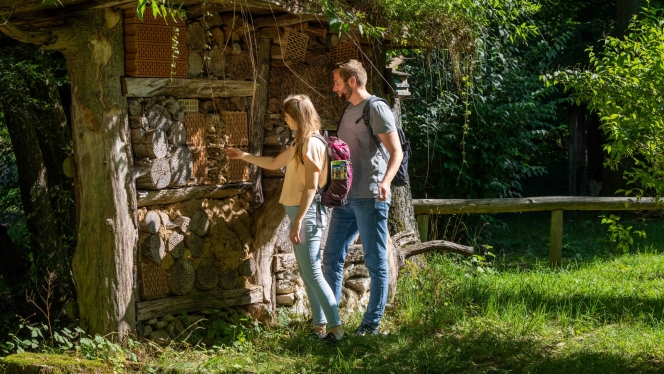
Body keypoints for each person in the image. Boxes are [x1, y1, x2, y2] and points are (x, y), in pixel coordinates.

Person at [226, 94, 344, 342]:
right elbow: (273, 162)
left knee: (312, 273)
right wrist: (243, 156)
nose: (286, 120)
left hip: (308, 216)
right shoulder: (300, 143)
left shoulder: (311, 144)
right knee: (307, 272)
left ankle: (337, 330)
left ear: (297, 118)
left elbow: (311, 187)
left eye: (288, 117)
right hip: (302, 215)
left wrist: (299, 221)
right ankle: (319, 328)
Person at [323, 60, 403, 336]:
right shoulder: (348, 110)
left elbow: (397, 152)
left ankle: (371, 324)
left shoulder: (376, 108)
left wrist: (385, 182)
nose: (334, 88)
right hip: (345, 198)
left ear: (352, 82)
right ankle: (331, 321)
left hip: (370, 196)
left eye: (337, 82)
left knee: (375, 260)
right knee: (331, 258)